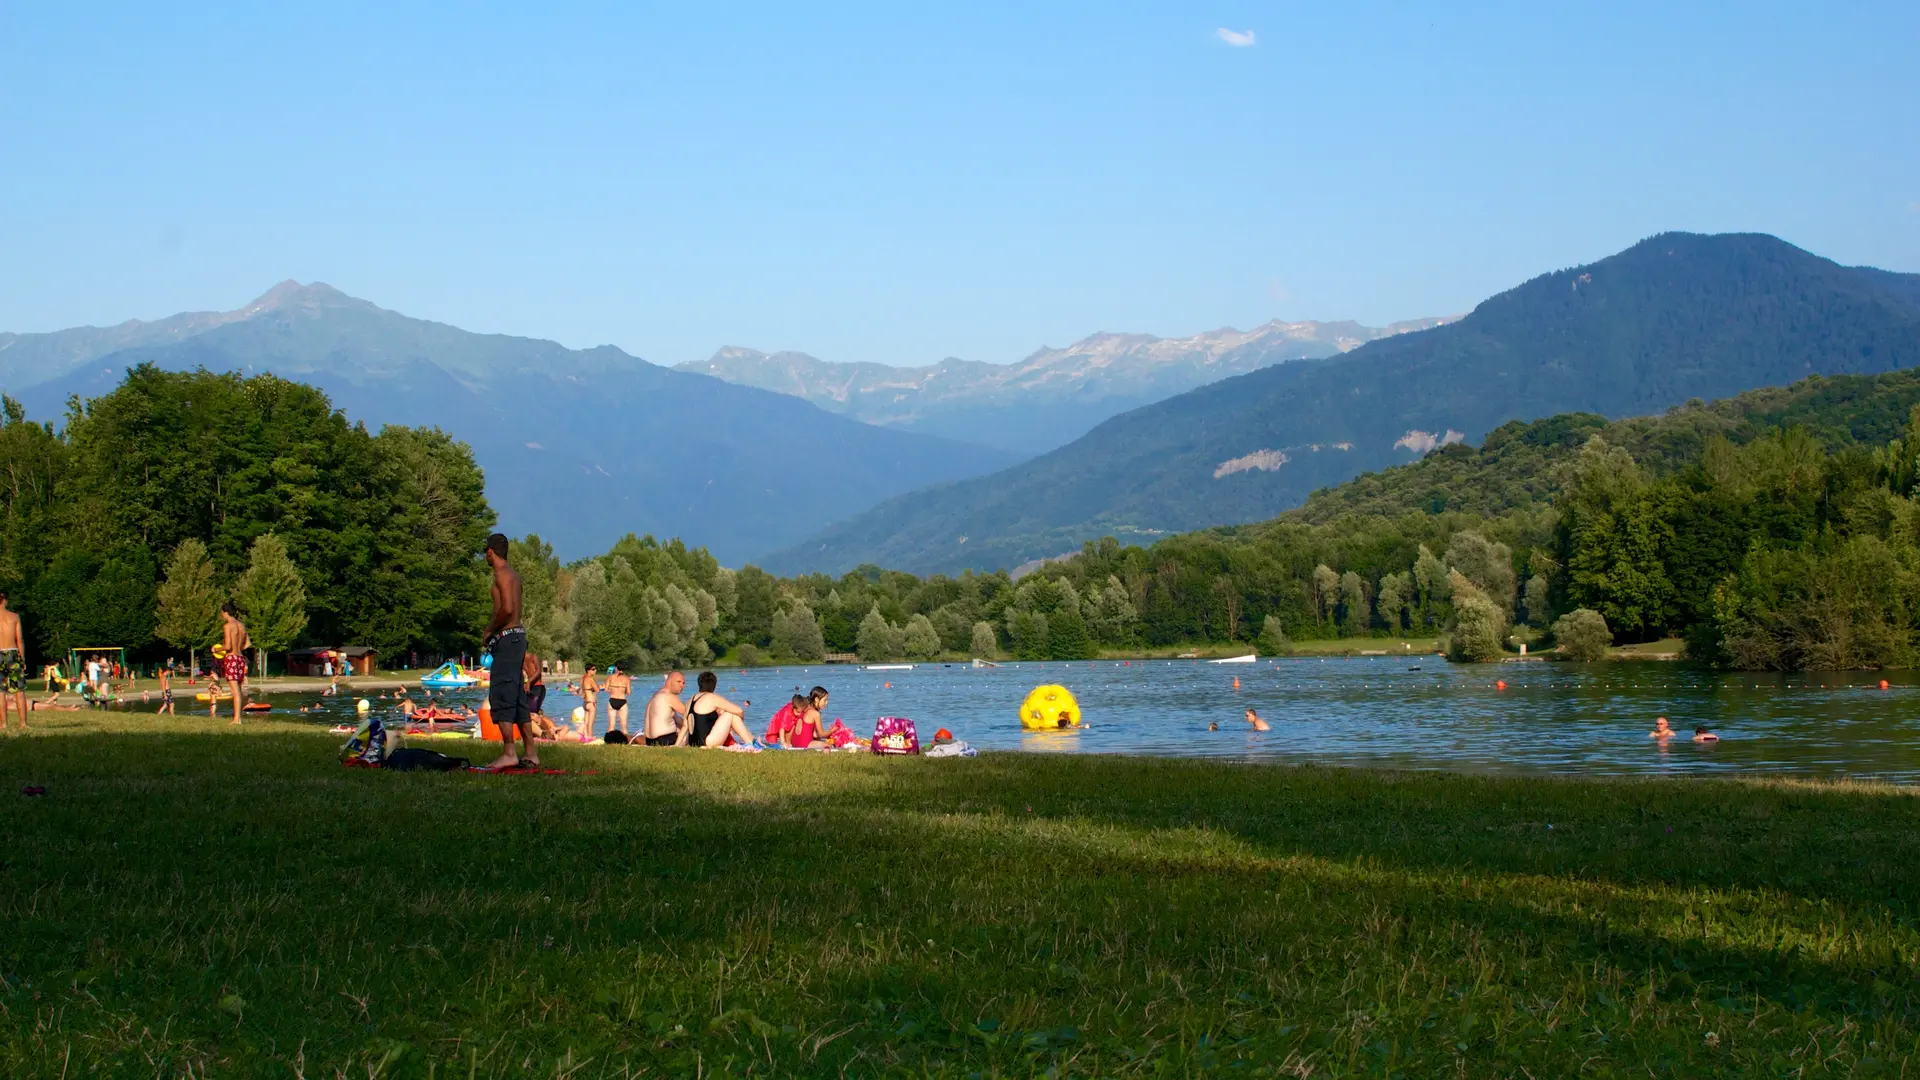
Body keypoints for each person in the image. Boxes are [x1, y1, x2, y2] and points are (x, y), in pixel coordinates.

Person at [480, 533, 535, 769]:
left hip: (507, 638)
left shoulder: (501, 574)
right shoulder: (514, 575)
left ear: (491, 551)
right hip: (518, 638)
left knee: (502, 693)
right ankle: (531, 753)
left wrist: (489, 630)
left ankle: (509, 752)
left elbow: (507, 609)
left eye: (486, 551)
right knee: (517, 696)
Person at [680, 670, 752, 747]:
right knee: (730, 714)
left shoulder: (690, 700)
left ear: (699, 684)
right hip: (707, 743)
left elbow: (685, 726)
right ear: (714, 685)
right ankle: (750, 743)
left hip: (693, 743)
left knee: (725, 714)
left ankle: (751, 741)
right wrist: (740, 723)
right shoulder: (712, 697)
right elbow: (740, 711)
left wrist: (676, 744)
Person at [219, 601, 252, 726]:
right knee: (239, 689)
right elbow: (247, 644)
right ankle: (238, 717)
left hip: (231, 658)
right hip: (240, 658)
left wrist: (216, 649)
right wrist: (238, 647)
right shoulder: (241, 625)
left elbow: (227, 646)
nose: (222, 615)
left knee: (235, 691)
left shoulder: (228, 626)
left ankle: (236, 719)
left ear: (225, 612)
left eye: (222, 613)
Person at [0, 592, 27, 733]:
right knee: (19, 691)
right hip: (12, 653)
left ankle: (4, 724)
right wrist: (22, 658)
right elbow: (19, 639)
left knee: (0, 692)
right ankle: (23, 723)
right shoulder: (14, 617)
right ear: (4, 600)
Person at [643, 670, 688, 746]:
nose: (682, 686)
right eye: (678, 682)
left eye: (683, 683)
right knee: (688, 732)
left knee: (680, 726)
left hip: (649, 741)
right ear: (669, 681)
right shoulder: (669, 696)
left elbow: (677, 720)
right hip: (664, 740)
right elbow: (690, 714)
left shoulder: (656, 695)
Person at [605, 664, 633, 737]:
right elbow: (629, 692)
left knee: (611, 725)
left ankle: (609, 741)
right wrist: (622, 690)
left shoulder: (610, 677)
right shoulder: (627, 678)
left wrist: (613, 690)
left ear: (616, 668)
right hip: (622, 701)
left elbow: (606, 689)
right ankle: (626, 742)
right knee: (623, 725)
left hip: (612, 700)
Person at [580, 664, 600, 737]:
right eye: (593, 669)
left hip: (585, 703)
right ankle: (590, 738)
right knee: (590, 724)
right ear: (588, 670)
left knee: (585, 723)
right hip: (591, 703)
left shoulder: (582, 678)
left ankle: (584, 737)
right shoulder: (590, 679)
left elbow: (583, 690)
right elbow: (597, 690)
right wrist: (600, 686)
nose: (595, 670)